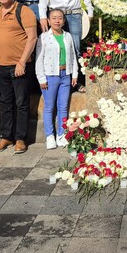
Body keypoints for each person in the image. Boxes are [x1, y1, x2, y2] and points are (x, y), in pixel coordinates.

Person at [0, 0, 38, 154]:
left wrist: (22, 62)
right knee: (5, 103)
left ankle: (20, 139)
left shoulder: (24, 11)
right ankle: (5, 136)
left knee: (21, 103)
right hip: (1, 67)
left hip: (19, 67)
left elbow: (32, 38)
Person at [35, 9, 79, 149]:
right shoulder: (43, 37)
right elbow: (38, 59)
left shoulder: (68, 36)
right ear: (48, 20)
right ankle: (50, 136)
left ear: (64, 21)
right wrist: (41, 78)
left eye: (60, 18)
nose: (57, 20)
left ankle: (61, 134)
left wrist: (75, 74)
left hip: (65, 75)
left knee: (63, 107)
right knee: (49, 107)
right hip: (50, 76)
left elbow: (73, 56)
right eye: (53, 18)